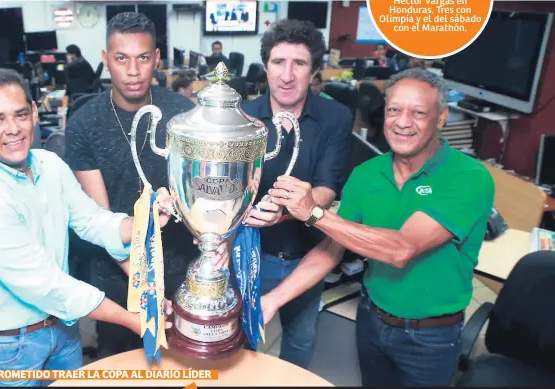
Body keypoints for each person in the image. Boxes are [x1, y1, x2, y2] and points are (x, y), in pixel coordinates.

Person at [261, 68, 495, 386]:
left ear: (441, 118)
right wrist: (272, 300)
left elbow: (401, 249)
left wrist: (314, 213)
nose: (402, 122)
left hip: (430, 336)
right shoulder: (366, 174)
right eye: (394, 110)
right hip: (370, 320)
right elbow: (331, 248)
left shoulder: (469, 177)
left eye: (418, 113)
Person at [0, 68, 176, 386]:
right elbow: (47, 285)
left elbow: (92, 221)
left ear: (35, 113)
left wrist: (143, 222)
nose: (13, 129)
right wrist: (136, 320)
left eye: (21, 114)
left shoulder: (48, 164)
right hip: (8, 348)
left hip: (62, 330)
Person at [64, 12, 227, 360]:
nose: (133, 70)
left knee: (178, 367)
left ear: (156, 58)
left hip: (180, 267)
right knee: (120, 367)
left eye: (142, 58)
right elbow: (100, 218)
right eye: (122, 59)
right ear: (106, 60)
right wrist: (143, 286)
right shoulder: (84, 124)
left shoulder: (185, 114)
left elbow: (200, 192)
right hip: (117, 274)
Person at [239, 19, 354, 369]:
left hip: (307, 256)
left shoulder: (336, 116)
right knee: (241, 344)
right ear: (266, 67)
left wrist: (288, 210)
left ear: (314, 71)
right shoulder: (242, 116)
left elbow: (326, 187)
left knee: (300, 342)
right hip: (249, 252)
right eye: (278, 62)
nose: (287, 75)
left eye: (299, 64)